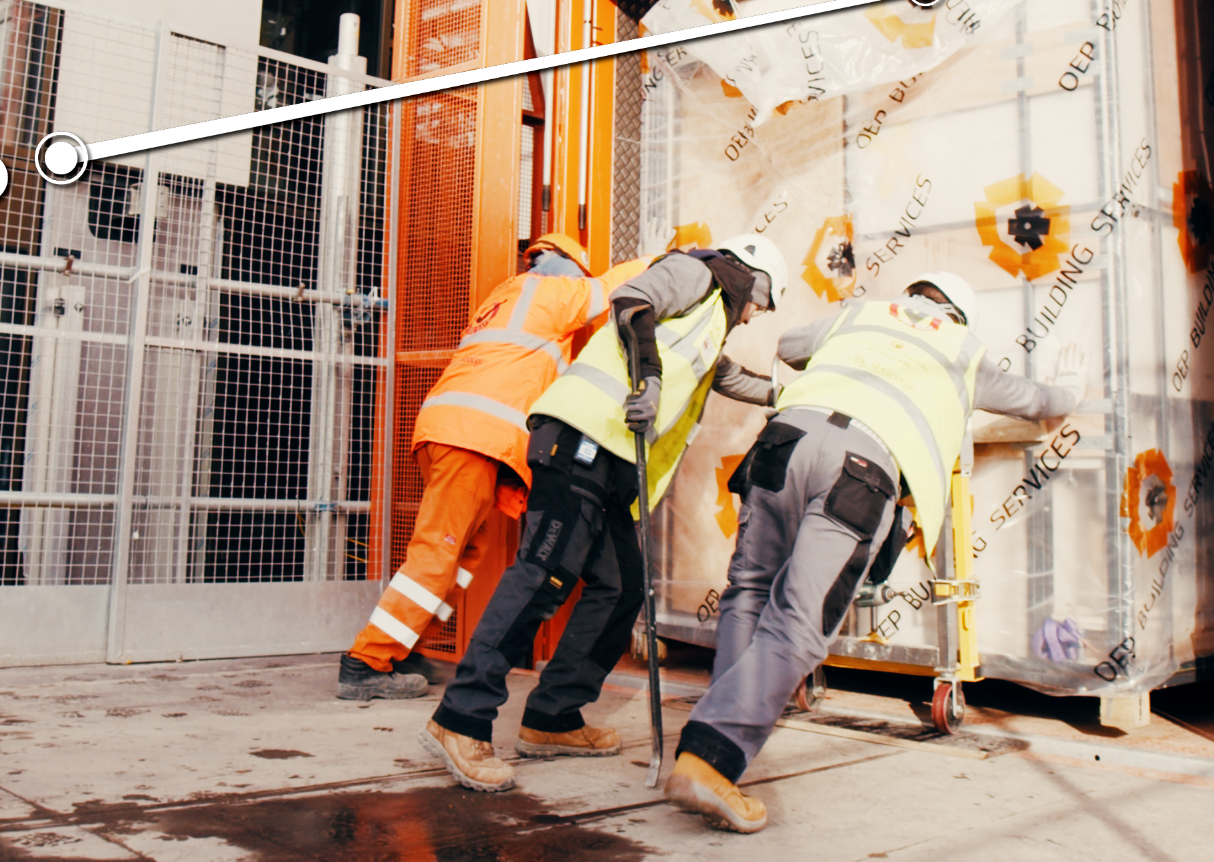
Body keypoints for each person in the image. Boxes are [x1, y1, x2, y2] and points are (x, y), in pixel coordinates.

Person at [664, 272, 1084, 833]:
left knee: (750, 591)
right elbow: (1033, 400)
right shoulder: (959, 345)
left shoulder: (860, 314)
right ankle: (710, 759)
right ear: (956, 314)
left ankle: (721, 735)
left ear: (913, 295)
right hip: (858, 467)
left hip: (784, 440)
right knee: (800, 621)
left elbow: (789, 347)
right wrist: (1073, 388)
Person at [420, 235, 789, 791]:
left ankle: (553, 716)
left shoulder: (708, 324)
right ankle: (460, 719)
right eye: (765, 300)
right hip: (580, 437)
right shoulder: (697, 275)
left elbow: (728, 377)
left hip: (612, 463)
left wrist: (795, 393)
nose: (758, 313)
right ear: (752, 276)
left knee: (621, 588)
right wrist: (651, 379)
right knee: (541, 576)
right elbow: (632, 301)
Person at [339, 233, 613, 700]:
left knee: (464, 554)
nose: (580, 283)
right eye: (578, 273)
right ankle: (366, 661)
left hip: (450, 431)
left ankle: (405, 647)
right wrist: (682, 259)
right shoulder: (552, 292)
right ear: (565, 264)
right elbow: (616, 286)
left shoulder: (504, 296)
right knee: (438, 551)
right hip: (471, 438)